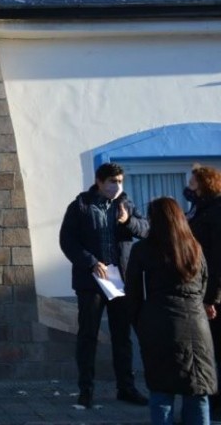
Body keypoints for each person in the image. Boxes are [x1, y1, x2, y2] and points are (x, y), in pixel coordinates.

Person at [59, 162, 149, 408]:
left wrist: (128, 221)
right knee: (88, 335)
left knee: (122, 336)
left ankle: (126, 387)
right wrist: (89, 262)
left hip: (119, 280)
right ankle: (86, 390)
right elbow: (67, 241)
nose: (117, 186)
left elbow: (146, 230)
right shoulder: (80, 206)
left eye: (120, 181)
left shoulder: (126, 205)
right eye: (112, 181)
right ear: (99, 182)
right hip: (91, 281)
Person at [126, 197, 216, 425]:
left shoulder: (143, 250)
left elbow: (133, 293)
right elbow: (204, 285)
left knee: (161, 392)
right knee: (197, 392)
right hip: (196, 325)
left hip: (158, 324)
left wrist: (140, 323)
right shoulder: (195, 248)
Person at [185, 165, 221, 416]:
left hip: (213, 293)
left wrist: (212, 298)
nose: (189, 185)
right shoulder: (201, 208)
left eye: (193, 181)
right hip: (201, 287)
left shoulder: (216, 211)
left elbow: (217, 258)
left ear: (204, 184)